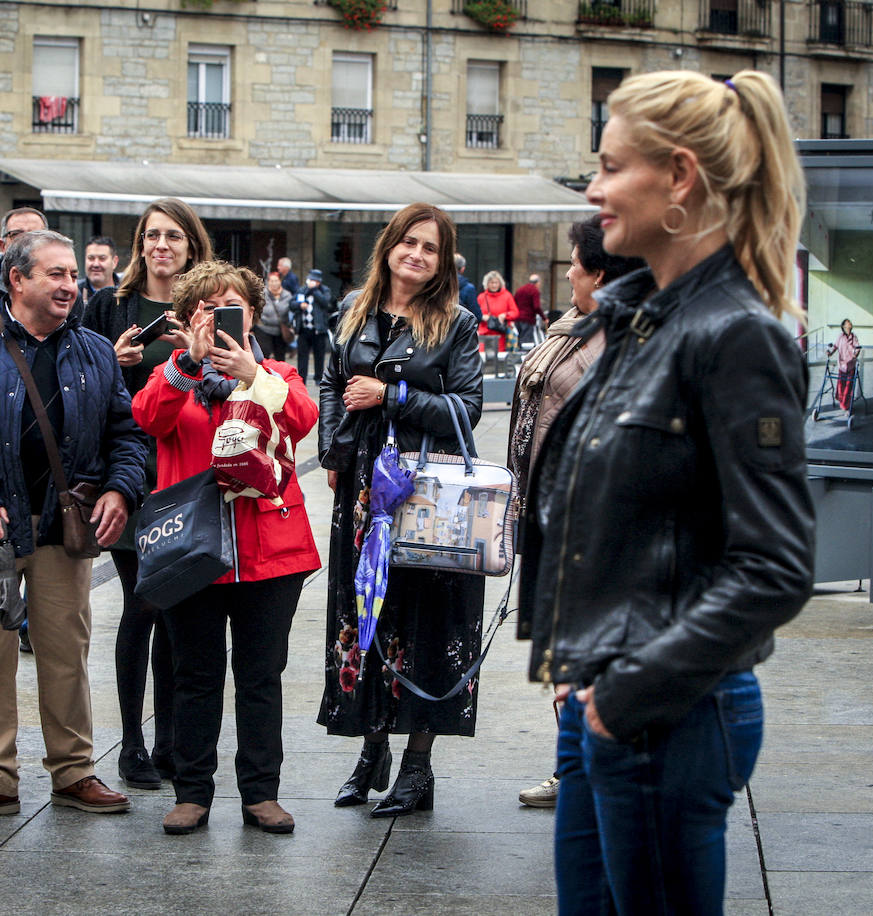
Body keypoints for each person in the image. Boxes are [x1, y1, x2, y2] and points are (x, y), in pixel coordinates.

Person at [518, 70, 815, 914]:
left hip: (669, 714)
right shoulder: (646, 316)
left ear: (679, 177)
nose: (594, 188)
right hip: (610, 699)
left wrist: (625, 692)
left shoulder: (736, 334)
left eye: (611, 167)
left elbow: (776, 567)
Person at [0, 229, 148, 821]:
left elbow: (127, 434)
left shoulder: (95, 350)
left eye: (73, 275)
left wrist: (121, 487)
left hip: (63, 531)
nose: (71, 285)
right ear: (17, 280)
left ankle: (73, 771)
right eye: (57, 274)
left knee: (66, 651)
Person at [132, 260, 321, 835]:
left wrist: (251, 373)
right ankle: (192, 792)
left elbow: (302, 418)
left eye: (231, 307)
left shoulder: (276, 371)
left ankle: (261, 793)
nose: (219, 317)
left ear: (254, 316)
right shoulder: (173, 376)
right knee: (195, 674)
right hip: (193, 553)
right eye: (207, 308)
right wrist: (187, 362)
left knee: (262, 675)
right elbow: (148, 417)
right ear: (189, 318)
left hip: (271, 551)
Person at [318, 202, 485, 818]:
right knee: (367, 613)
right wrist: (332, 453)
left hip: (424, 488)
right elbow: (333, 385)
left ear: (443, 261)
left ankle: (417, 767)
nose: (417, 254)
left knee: (425, 621)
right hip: (362, 488)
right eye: (409, 242)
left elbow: (467, 408)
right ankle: (371, 751)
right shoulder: (354, 310)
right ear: (390, 245)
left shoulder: (456, 323)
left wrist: (396, 394)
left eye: (431, 247)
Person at [508, 215, 644, 810]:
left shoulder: (614, 341)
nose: (567, 273)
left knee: (580, 661)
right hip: (551, 513)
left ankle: (584, 775)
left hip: (587, 522)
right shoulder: (576, 328)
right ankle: (573, 772)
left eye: (576, 265)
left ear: (602, 275)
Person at [83, 197, 213, 791]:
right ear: (140, 245)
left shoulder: (206, 308)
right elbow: (76, 385)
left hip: (187, 476)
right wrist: (112, 364)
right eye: (151, 236)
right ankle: (132, 742)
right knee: (143, 605)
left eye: (173, 237)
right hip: (131, 476)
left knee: (178, 607)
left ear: (191, 246)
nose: (161, 246)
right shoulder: (111, 306)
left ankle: (167, 739)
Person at [289, 268, 332, 383]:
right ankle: (301, 378)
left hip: (318, 329)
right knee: (302, 356)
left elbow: (326, 303)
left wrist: (315, 291)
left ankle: (318, 377)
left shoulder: (324, 291)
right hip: (303, 329)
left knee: (319, 355)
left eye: (315, 281)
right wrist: (300, 305)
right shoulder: (302, 290)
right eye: (311, 280)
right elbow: (291, 304)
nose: (313, 282)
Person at [476, 270, 518, 352]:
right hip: (485, 334)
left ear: (500, 284)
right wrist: (482, 316)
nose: (494, 285)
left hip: (501, 335)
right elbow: (475, 313)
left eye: (496, 283)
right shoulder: (481, 297)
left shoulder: (507, 296)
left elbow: (515, 312)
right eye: (491, 283)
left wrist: (505, 315)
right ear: (487, 284)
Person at [256, 269, 291, 360]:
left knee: (280, 356)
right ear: (268, 282)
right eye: (271, 281)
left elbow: (284, 310)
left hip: (280, 330)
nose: (274, 283)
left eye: (276, 281)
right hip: (264, 329)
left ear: (280, 281)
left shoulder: (287, 295)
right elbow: (265, 310)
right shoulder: (263, 294)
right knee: (264, 355)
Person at [829, 318, 861, 410]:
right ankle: (841, 400)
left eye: (850, 322)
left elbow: (857, 347)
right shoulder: (840, 337)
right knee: (841, 384)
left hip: (851, 364)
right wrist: (830, 353)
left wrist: (856, 353)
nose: (850, 323)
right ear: (844, 326)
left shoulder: (854, 337)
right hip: (842, 365)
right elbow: (835, 346)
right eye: (848, 323)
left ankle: (845, 406)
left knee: (848, 387)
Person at [80, 236, 119, 308]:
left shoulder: (127, 293)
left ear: (114, 262)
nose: (96, 264)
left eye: (102, 258)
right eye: (91, 258)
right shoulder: (75, 294)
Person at [513, 273, 543, 346]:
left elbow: (514, 302)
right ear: (538, 283)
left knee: (519, 339)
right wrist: (544, 317)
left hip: (517, 319)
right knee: (527, 342)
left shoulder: (520, 289)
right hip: (528, 319)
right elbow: (537, 307)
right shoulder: (534, 290)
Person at [453, 252, 480, 321]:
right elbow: (477, 315)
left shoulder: (438, 285)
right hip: (461, 328)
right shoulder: (469, 288)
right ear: (463, 269)